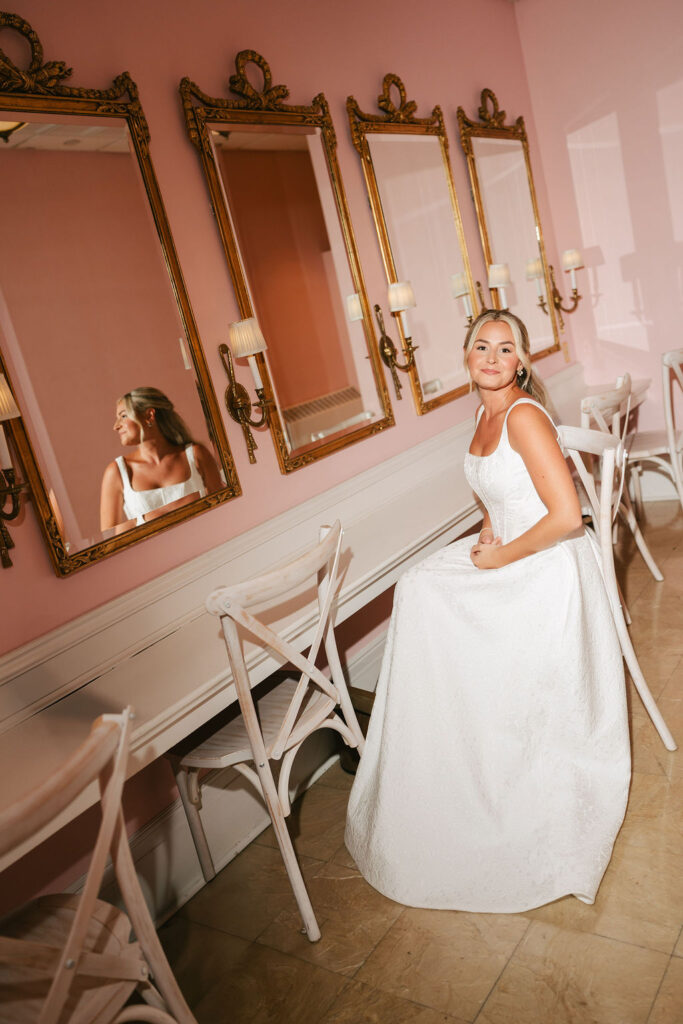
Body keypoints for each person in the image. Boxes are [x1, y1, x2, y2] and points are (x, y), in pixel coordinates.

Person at [345, 309, 631, 913]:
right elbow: (497, 493)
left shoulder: (523, 416)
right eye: (482, 346)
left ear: (522, 361)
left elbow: (565, 516)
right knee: (417, 585)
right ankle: (446, 763)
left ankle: (485, 752)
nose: (494, 358)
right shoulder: (483, 413)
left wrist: (498, 561)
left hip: (548, 566)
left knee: (423, 600)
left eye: (506, 349)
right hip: (511, 548)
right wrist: (485, 536)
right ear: (467, 358)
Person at [100, 386, 223, 534]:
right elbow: (110, 544)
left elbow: (224, 509)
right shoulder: (117, 472)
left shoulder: (196, 455)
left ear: (149, 415)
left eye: (123, 416)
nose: (116, 426)